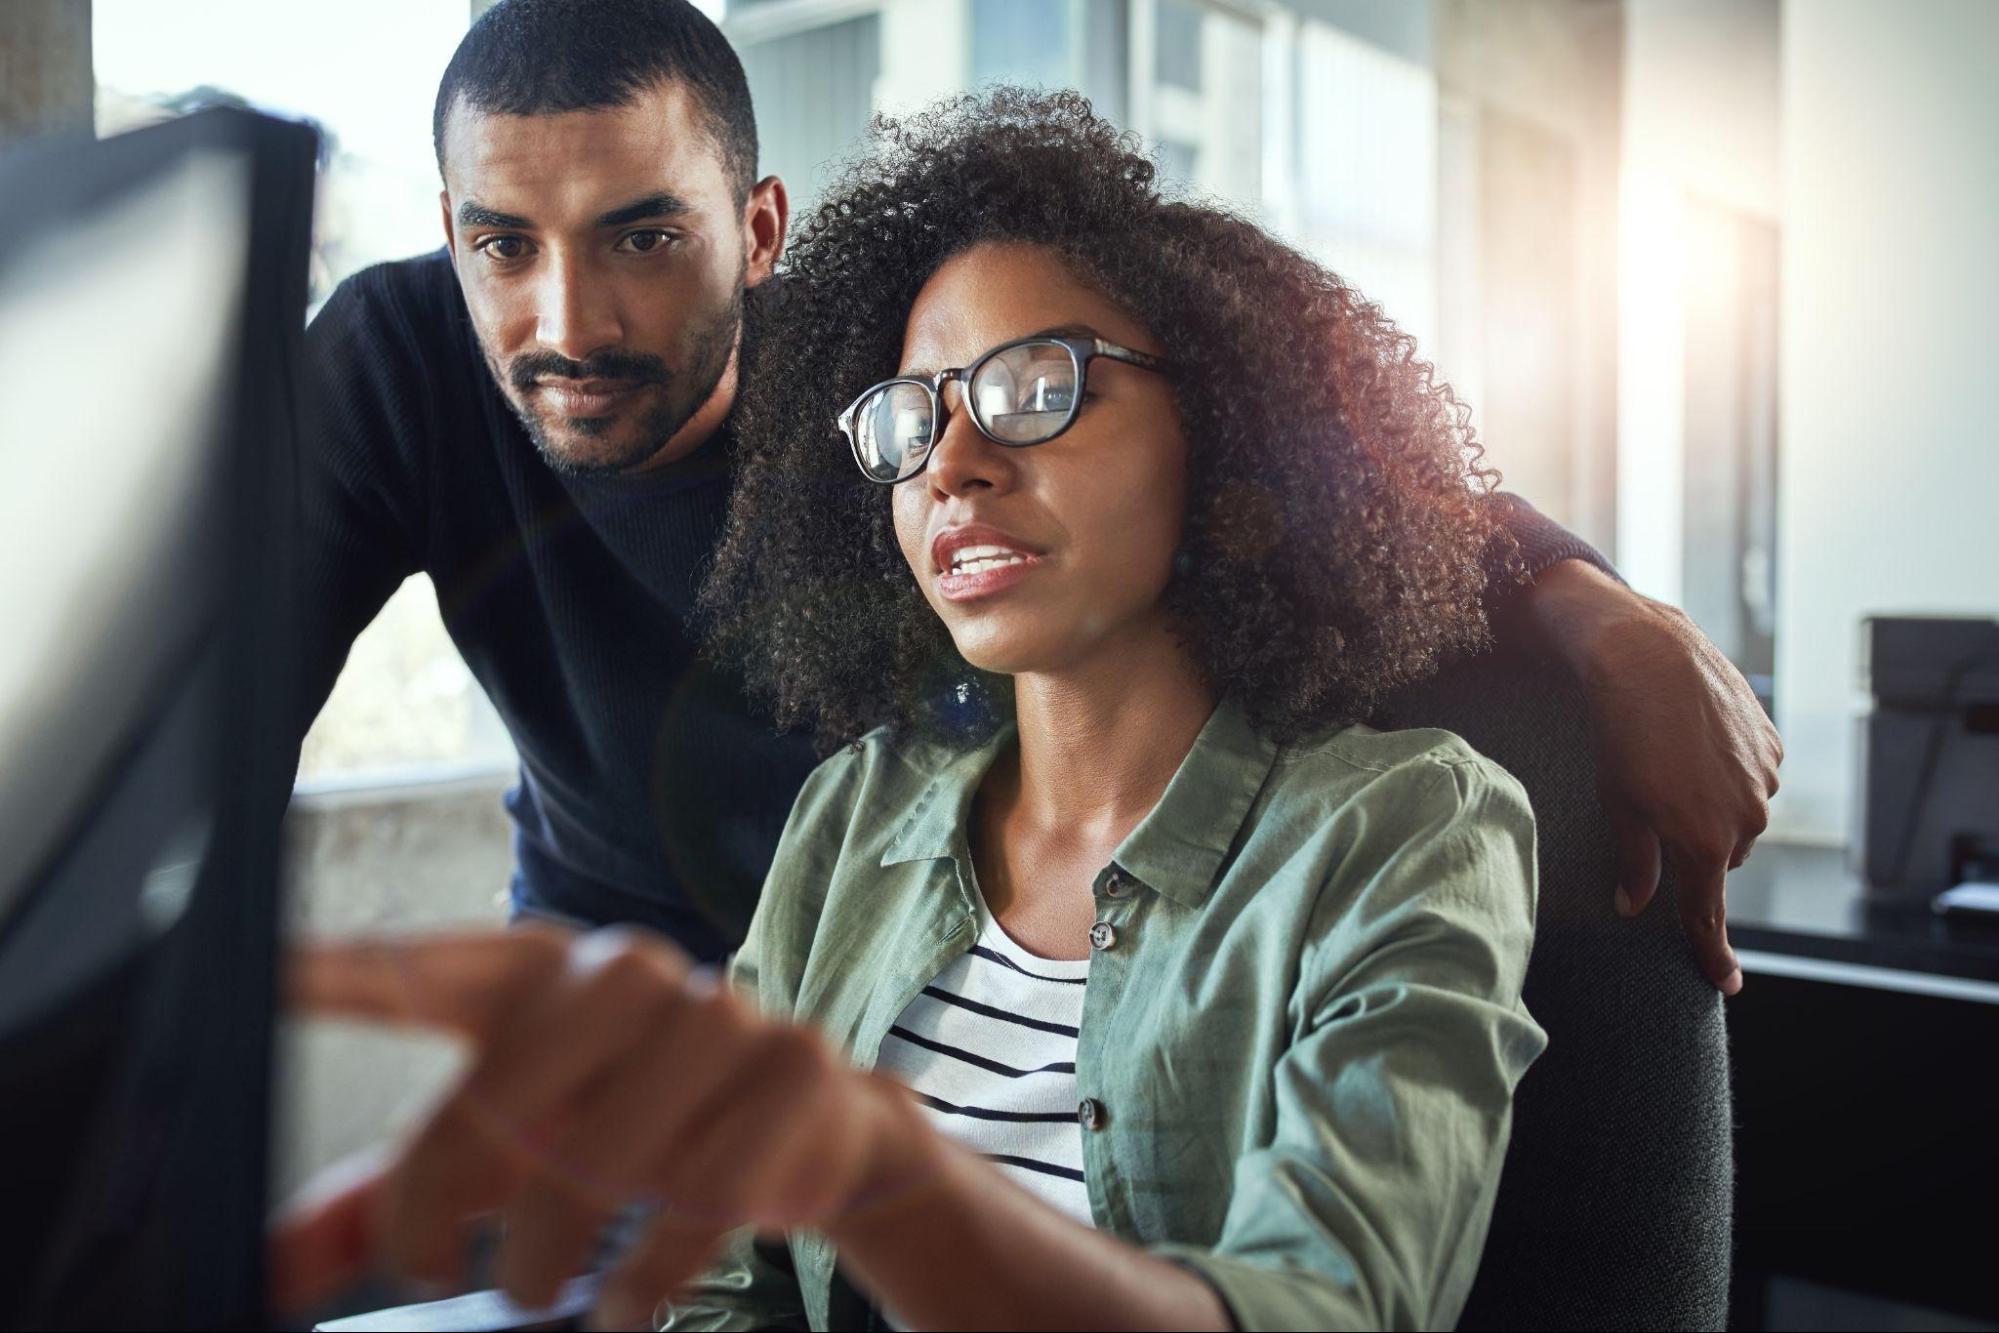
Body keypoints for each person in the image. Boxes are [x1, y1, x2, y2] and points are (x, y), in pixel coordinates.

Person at [273, 88, 1674, 1332]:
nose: (951, 461)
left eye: (1033, 388)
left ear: (1228, 424)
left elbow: (1324, 1302)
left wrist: (888, 1178)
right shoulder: (859, 815)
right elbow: (718, 1287)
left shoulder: (1405, 824)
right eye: (912, 411)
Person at [301, 0, 1774, 990]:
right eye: (502, 246)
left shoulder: (897, 382)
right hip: (602, 1007)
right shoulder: (397, 362)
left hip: (902, 995)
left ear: (757, 230)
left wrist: (1601, 612)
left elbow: (1317, 447)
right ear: (450, 232)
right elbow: (194, 701)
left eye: (640, 238)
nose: (569, 321)